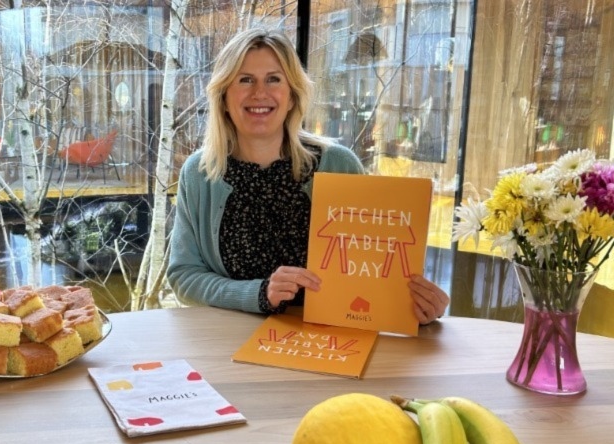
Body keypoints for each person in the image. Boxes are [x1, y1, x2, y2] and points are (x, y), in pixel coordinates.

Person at [167, 27, 449, 324]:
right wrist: (258, 294)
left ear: (291, 96)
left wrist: (415, 304)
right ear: (224, 97)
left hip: (328, 345)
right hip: (229, 345)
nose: (259, 93)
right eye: (245, 79)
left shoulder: (339, 165)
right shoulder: (200, 173)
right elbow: (184, 277)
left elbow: (376, 271)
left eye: (274, 79)